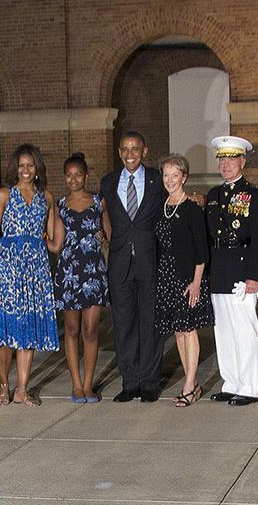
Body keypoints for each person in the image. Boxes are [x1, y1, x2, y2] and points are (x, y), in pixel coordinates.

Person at [0, 144, 63, 407]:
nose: (26, 170)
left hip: (36, 269)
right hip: (6, 268)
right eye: (21, 165)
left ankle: (22, 389)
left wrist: (61, 214)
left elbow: (53, 243)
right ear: (14, 168)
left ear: (37, 167)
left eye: (30, 165)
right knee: (6, 330)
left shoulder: (47, 198)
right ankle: (4, 386)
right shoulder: (3, 195)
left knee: (27, 330)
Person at [206, 136, 258, 406]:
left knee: (245, 331)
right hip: (219, 271)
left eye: (231, 159)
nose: (225, 165)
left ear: (242, 161)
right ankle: (231, 381)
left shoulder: (255, 194)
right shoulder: (213, 195)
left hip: (242, 273)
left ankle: (248, 386)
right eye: (222, 160)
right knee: (223, 333)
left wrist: (255, 276)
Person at [99, 131, 167, 403]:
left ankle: (150, 382)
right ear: (119, 152)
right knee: (124, 323)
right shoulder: (108, 182)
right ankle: (130, 381)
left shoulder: (157, 180)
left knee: (150, 322)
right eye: (125, 149)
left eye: (135, 149)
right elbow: (103, 213)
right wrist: (107, 237)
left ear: (145, 151)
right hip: (120, 263)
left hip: (151, 261)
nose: (130, 154)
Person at [155, 154, 213, 407]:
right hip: (166, 277)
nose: (170, 180)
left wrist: (197, 282)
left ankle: (190, 383)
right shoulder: (161, 207)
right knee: (178, 331)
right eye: (166, 175)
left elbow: (202, 251)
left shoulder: (191, 208)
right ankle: (192, 382)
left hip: (188, 278)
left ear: (184, 177)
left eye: (174, 175)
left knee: (189, 330)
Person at [53, 152, 110, 403]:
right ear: (65, 178)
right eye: (69, 175)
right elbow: (55, 243)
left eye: (78, 175)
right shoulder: (60, 206)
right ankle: (76, 385)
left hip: (94, 272)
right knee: (72, 329)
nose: (73, 179)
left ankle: (88, 385)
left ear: (86, 176)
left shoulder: (99, 202)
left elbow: (110, 235)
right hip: (69, 273)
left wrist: (104, 239)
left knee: (90, 330)